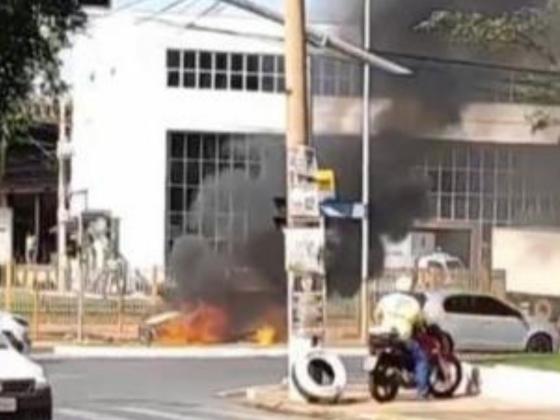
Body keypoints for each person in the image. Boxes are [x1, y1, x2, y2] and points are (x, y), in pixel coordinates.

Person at [372, 276, 430, 399]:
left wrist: (381, 323)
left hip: (384, 336)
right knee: (421, 359)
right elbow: (420, 321)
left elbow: (376, 314)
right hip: (402, 337)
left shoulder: (386, 299)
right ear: (410, 289)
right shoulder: (413, 303)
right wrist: (421, 326)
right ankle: (422, 391)